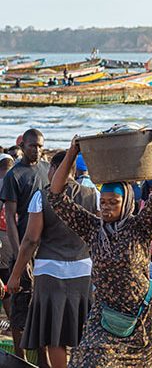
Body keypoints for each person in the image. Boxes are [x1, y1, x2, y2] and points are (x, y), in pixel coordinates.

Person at [47, 129, 152, 367]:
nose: (106, 208)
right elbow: (56, 196)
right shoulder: (94, 229)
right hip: (105, 314)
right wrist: (73, 151)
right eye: (102, 202)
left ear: (126, 203)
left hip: (143, 318)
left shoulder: (140, 228)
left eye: (113, 203)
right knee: (86, 359)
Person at [7, 150, 99, 368]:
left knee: (54, 335)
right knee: (81, 328)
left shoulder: (42, 196)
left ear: (57, 169)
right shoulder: (91, 195)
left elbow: (30, 240)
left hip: (50, 273)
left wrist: (16, 274)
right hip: (83, 270)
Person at [0, 128, 50, 360]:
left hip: (45, 247)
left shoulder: (46, 169)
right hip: (23, 246)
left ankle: (41, 357)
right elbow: (10, 216)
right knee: (20, 310)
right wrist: (19, 252)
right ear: (23, 147)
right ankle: (19, 359)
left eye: (40, 146)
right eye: (33, 146)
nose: (37, 150)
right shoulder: (14, 175)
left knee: (40, 307)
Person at [0, 153, 15, 324]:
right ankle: (14, 325)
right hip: (17, 246)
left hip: (3, 243)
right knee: (10, 293)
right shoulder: (19, 181)